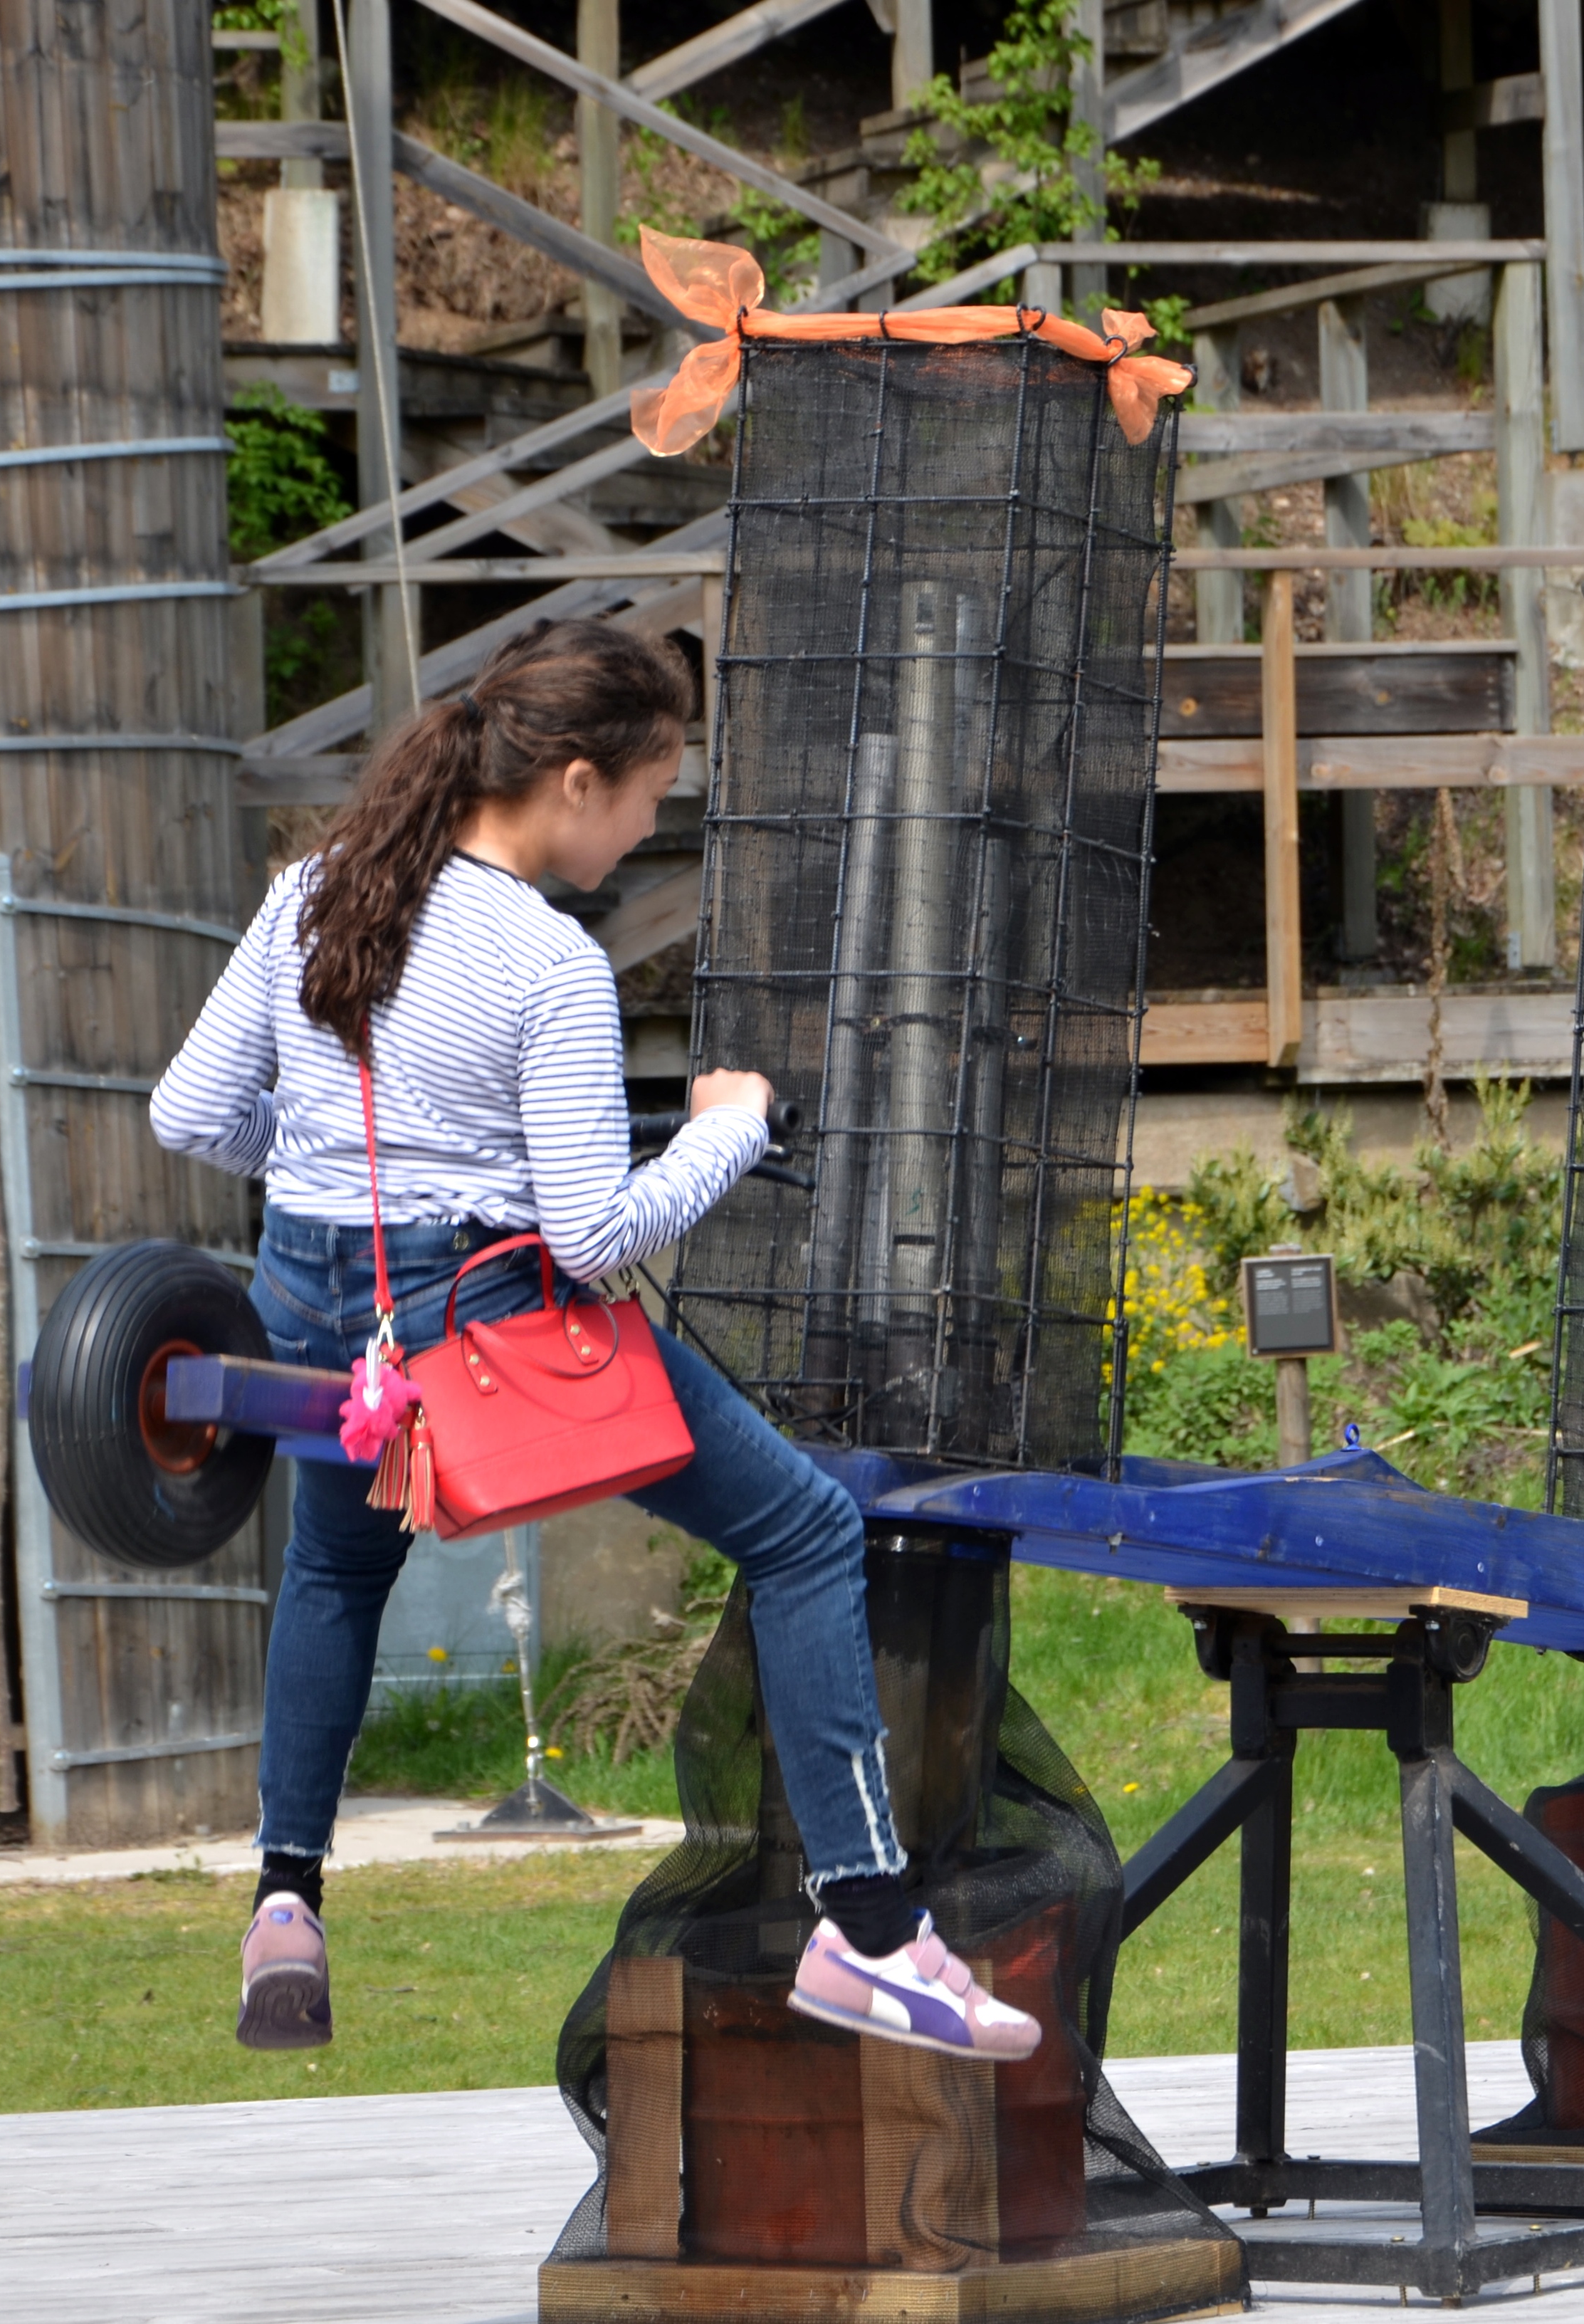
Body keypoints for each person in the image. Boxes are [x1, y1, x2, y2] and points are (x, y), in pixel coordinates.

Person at [150, 617, 1037, 2066]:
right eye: (648, 794)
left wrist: (326, 1176)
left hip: (316, 1306)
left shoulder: (316, 887)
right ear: (574, 780)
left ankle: (286, 1903)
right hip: (479, 1320)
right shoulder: (546, 961)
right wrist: (729, 1130)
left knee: (334, 1569)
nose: (644, 829)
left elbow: (188, 1115)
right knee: (806, 1530)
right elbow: (592, 1241)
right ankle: (871, 1935)